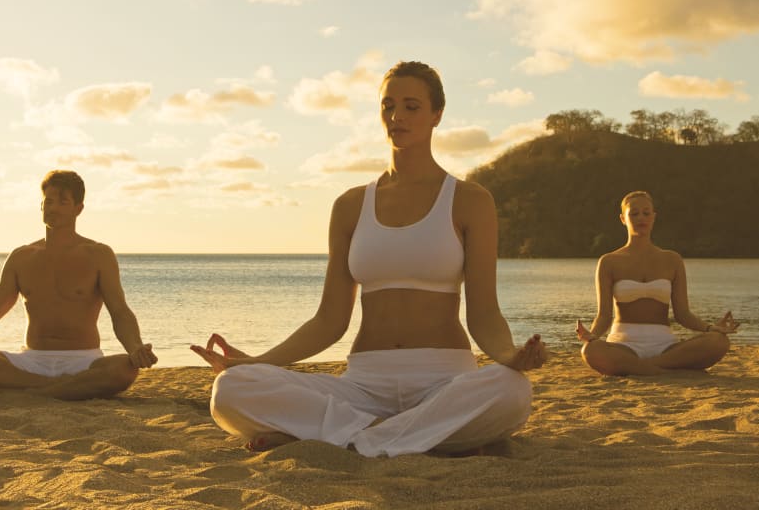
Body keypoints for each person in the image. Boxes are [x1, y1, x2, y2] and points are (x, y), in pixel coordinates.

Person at [191, 61, 545, 457]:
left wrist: (509, 356)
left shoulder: (469, 200)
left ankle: (355, 438)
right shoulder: (350, 205)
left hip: (443, 381)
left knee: (512, 389)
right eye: (388, 105)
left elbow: (484, 314)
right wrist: (257, 361)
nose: (397, 116)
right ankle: (404, 436)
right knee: (232, 390)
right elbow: (329, 321)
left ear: (437, 115)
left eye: (411, 106)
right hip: (363, 385)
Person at [0, 170, 156, 397]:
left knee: (124, 368)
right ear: (41, 206)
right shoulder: (22, 256)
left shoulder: (99, 255)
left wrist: (135, 348)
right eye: (48, 201)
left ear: (78, 209)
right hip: (31, 362)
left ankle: (25, 392)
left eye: (63, 202)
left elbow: (120, 312)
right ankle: (55, 390)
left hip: (84, 361)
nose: (54, 208)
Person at [576, 191, 738, 375]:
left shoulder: (672, 259)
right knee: (590, 350)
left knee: (719, 341)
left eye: (646, 213)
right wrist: (592, 335)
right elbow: (604, 315)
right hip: (623, 345)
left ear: (654, 217)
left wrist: (711, 328)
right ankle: (666, 371)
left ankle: (644, 368)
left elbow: (683, 314)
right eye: (634, 213)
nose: (641, 218)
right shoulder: (609, 261)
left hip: (665, 346)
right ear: (623, 218)